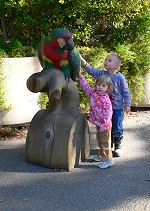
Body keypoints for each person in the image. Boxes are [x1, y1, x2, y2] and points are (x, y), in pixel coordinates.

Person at [80, 52, 131, 157]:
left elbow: (125, 91)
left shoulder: (120, 77)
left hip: (116, 108)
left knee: (117, 126)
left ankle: (118, 146)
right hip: (104, 109)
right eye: (106, 60)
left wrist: (127, 104)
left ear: (116, 66)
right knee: (106, 127)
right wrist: (84, 64)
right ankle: (108, 146)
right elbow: (92, 71)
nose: (106, 61)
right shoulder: (102, 75)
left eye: (109, 60)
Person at [79, 70, 114, 169]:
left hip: (105, 125)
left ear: (108, 88)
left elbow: (108, 114)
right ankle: (101, 155)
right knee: (99, 140)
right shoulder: (94, 93)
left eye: (103, 86)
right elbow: (86, 87)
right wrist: (80, 77)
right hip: (99, 123)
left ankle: (107, 160)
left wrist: (104, 125)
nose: (100, 87)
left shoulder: (105, 100)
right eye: (98, 85)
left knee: (105, 142)